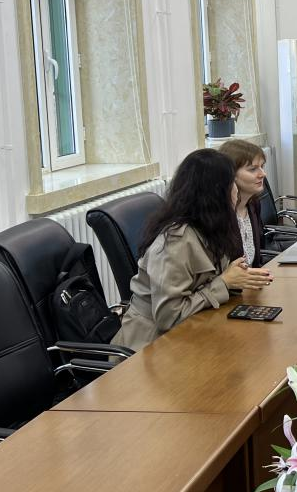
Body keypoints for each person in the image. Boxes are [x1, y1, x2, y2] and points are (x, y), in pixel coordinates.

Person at [113, 149, 272, 351]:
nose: (236, 190)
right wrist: (224, 282)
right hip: (152, 346)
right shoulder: (175, 242)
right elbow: (169, 318)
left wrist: (236, 277)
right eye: (231, 183)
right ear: (215, 193)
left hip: (195, 331)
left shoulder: (213, 226)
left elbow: (212, 283)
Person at [218, 138, 268, 267]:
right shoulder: (220, 214)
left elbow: (255, 261)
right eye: (252, 169)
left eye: (262, 167)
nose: (263, 174)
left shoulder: (253, 204)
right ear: (230, 174)